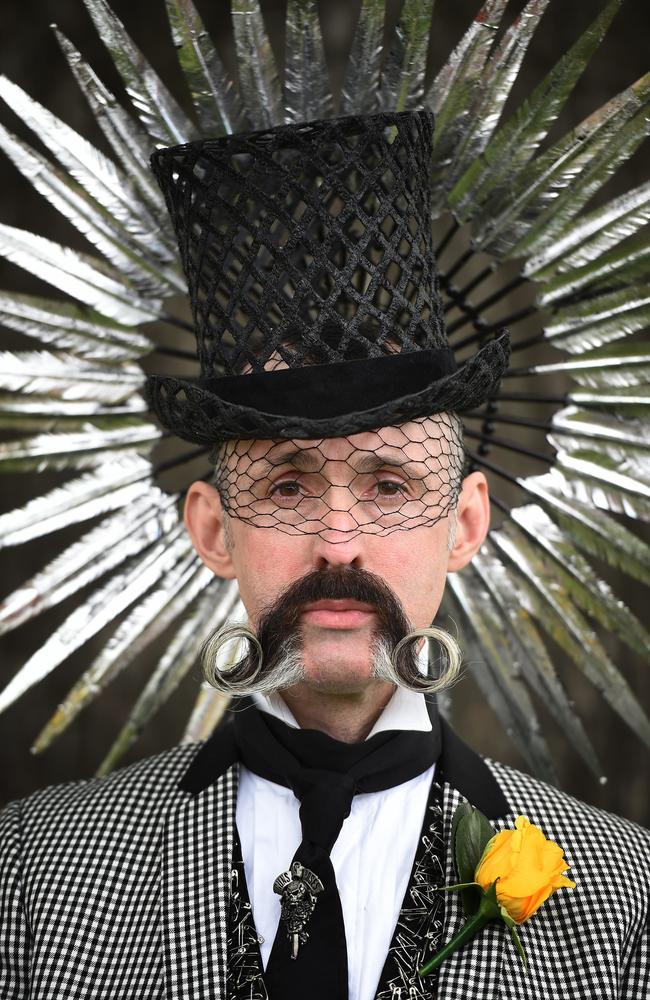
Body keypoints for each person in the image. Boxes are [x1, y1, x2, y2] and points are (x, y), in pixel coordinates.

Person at [1, 110, 648, 1000]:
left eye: (389, 486)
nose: (338, 542)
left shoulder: (626, 901)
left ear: (462, 525)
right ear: (213, 531)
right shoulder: (35, 873)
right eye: (288, 488)